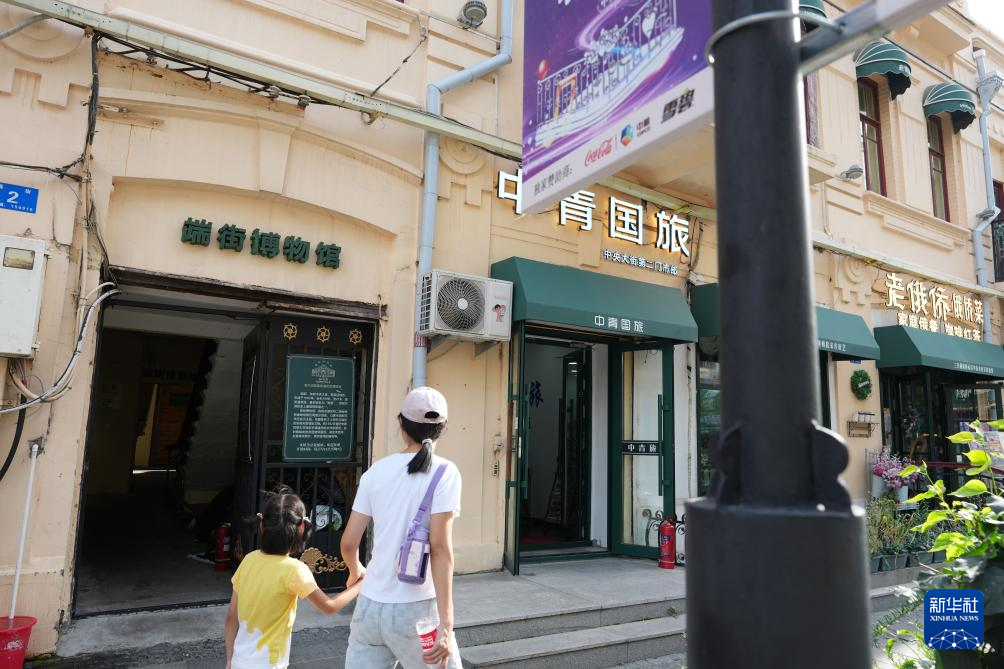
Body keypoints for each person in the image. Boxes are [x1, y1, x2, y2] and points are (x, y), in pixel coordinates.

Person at [341, 387, 463, 669]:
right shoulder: (445, 472)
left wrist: (355, 570)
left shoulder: (375, 472)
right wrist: (447, 625)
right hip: (417, 613)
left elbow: (348, 543)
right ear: (443, 427)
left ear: (401, 425)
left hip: (369, 607)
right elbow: (440, 549)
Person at [225, 486, 362, 669]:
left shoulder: (248, 560)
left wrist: (230, 660)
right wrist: (361, 584)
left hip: (238, 662)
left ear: (261, 524)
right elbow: (329, 606)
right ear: (302, 527)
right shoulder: (295, 570)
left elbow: (231, 616)